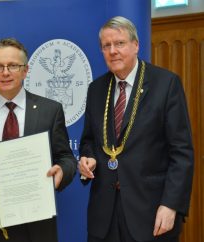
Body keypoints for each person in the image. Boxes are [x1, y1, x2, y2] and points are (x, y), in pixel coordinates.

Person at [78, 16, 194, 242]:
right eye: (106, 46)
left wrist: (171, 205)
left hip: (151, 213)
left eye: (119, 43)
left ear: (136, 45)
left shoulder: (166, 84)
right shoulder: (96, 89)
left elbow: (182, 153)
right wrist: (87, 159)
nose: (113, 51)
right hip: (105, 216)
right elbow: (88, 141)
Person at [0, 37, 77, 242]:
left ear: (25, 70)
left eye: (13, 65)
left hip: (37, 226)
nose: (5, 72)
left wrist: (62, 171)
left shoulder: (50, 111)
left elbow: (66, 157)